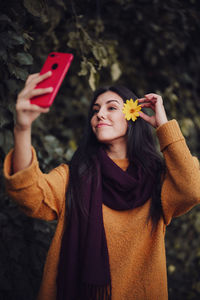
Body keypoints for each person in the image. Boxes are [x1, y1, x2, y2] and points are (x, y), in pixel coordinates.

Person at [3, 71, 200, 300]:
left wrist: (163, 126)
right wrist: (22, 129)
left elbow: (193, 188)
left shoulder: (158, 179)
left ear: (131, 116)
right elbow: (28, 195)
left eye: (111, 107)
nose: (100, 114)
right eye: (95, 110)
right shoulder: (73, 176)